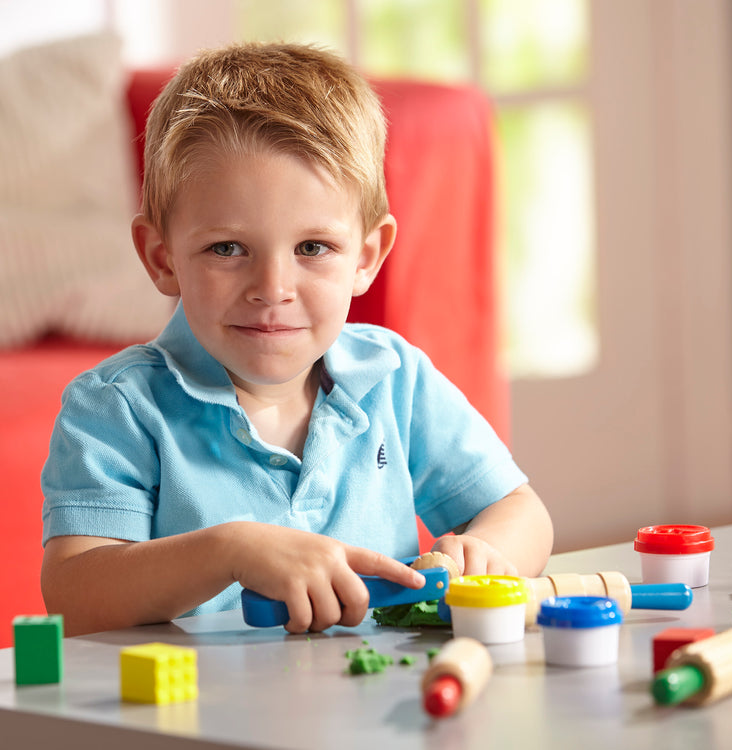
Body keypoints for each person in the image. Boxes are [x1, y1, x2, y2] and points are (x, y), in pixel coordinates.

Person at [40, 42, 553, 637]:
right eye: (227, 249)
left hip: (376, 713)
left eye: (313, 248)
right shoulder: (117, 408)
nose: (272, 288)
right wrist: (229, 550)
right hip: (199, 721)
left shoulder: (393, 378)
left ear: (366, 257)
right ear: (162, 258)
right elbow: (74, 594)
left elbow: (520, 512)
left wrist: (486, 554)